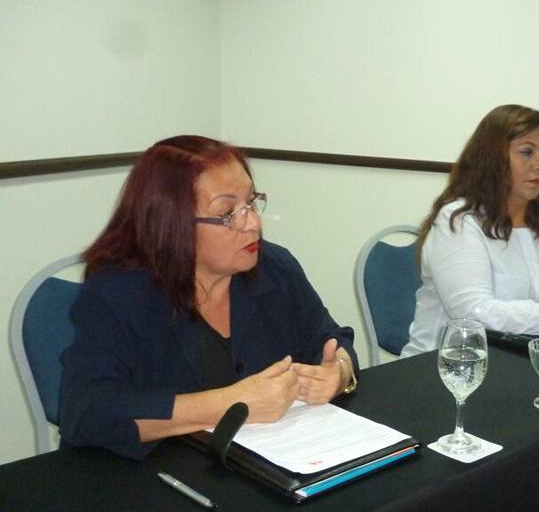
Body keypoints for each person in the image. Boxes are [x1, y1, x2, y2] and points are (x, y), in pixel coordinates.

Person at [59, 135, 358, 460]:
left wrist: (339, 374)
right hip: (152, 476)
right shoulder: (117, 293)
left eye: (251, 203)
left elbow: (331, 339)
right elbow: (86, 413)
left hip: (265, 465)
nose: (254, 223)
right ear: (172, 224)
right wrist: (232, 403)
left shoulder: (274, 268)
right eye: (229, 212)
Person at [402, 104, 539, 356]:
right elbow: (473, 312)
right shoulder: (459, 220)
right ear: (492, 159)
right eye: (526, 152)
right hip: (447, 364)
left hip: (524, 358)